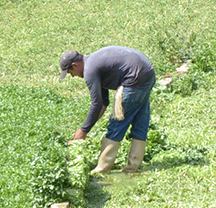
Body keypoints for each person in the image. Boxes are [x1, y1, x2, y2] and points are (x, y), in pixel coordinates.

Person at [60, 46, 156, 175]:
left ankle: (102, 169)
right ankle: (133, 167)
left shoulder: (89, 70)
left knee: (117, 122)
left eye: (70, 72)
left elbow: (96, 103)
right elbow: (103, 103)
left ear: (75, 65)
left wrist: (83, 131)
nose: (73, 76)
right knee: (140, 120)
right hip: (147, 73)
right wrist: (87, 128)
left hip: (134, 77)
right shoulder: (95, 64)